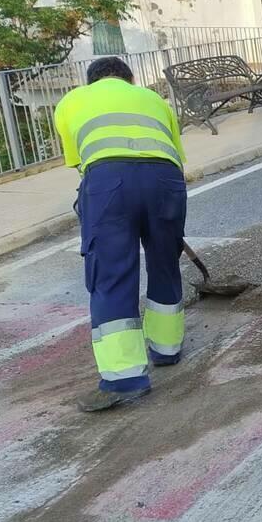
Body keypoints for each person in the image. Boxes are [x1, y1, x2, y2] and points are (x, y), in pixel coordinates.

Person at [53, 58, 188, 412]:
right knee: (164, 262)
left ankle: (124, 377)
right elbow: (173, 152)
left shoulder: (71, 101)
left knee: (111, 275)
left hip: (108, 182)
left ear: (90, 81)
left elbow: (78, 161)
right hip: (166, 180)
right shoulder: (154, 99)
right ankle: (167, 349)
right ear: (129, 79)